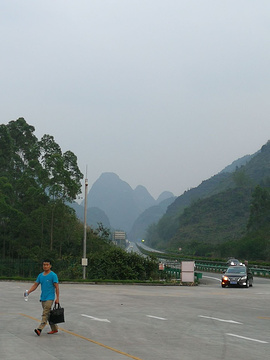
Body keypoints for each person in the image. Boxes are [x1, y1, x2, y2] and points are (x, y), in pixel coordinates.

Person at [27, 259, 60, 336]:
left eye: (47, 265)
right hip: (43, 298)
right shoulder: (40, 276)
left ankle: (40, 329)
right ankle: (54, 329)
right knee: (48, 314)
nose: (45, 266)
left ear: (50, 266)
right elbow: (35, 285)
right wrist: (28, 292)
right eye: (44, 265)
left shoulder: (53, 275)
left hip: (50, 297)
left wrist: (57, 298)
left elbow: (57, 287)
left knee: (45, 313)